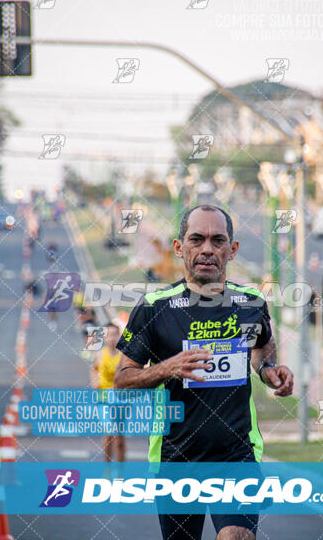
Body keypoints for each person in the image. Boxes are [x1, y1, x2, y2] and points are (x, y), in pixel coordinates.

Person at [114, 204, 294, 540]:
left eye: (218, 240)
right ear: (179, 247)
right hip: (176, 458)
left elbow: (261, 346)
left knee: (236, 536)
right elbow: (122, 381)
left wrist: (269, 370)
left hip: (236, 453)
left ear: (232, 249)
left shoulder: (251, 303)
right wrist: (166, 368)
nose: (208, 249)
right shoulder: (155, 308)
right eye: (197, 240)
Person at [91, 322, 126, 462]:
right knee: (109, 434)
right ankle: (108, 467)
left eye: (115, 335)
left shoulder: (124, 355)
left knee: (120, 438)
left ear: (119, 336)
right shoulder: (100, 354)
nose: (112, 338)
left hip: (121, 400)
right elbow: (93, 369)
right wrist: (95, 382)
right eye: (109, 335)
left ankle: (121, 471)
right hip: (104, 399)